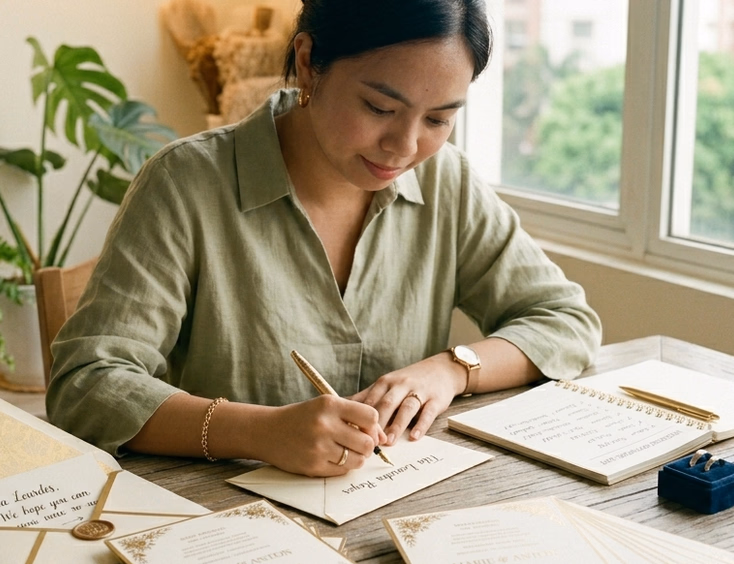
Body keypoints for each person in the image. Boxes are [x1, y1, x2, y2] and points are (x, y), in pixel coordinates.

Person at [46, 0, 602, 478]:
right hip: (226, 526)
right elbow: (87, 386)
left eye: (438, 119)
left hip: (397, 510)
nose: (403, 147)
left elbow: (566, 320)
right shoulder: (185, 184)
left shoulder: (445, 181)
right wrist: (261, 432)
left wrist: (451, 368)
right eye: (380, 108)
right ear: (310, 65)